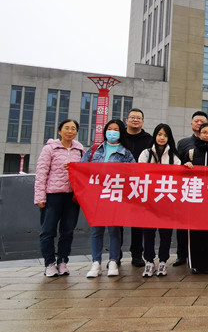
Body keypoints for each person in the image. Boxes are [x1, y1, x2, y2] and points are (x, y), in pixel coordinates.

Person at [82, 119, 136, 278]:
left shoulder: (126, 153)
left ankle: (113, 260)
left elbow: (133, 174)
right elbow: (82, 168)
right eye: (110, 129)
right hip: (96, 195)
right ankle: (96, 262)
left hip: (115, 196)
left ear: (121, 133)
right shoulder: (94, 150)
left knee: (114, 230)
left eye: (116, 130)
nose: (112, 132)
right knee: (96, 230)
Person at [34, 119, 85, 277]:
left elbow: (85, 171)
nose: (70, 131)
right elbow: (41, 173)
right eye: (66, 128)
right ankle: (49, 263)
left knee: (67, 230)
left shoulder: (80, 150)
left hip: (72, 197)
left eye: (73, 128)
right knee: (48, 230)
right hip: (52, 195)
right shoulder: (50, 149)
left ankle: (62, 261)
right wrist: (40, 197)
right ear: (59, 131)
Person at [138, 123, 181, 277]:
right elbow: (140, 173)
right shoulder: (146, 153)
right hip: (149, 200)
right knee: (148, 232)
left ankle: (163, 261)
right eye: (159, 134)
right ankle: (149, 261)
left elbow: (177, 177)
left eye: (165, 135)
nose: (162, 138)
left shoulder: (173, 156)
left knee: (166, 233)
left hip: (166, 200)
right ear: (155, 136)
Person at [184, 122, 208, 274]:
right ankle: (195, 264)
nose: (207, 135)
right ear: (199, 134)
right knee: (194, 232)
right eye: (204, 132)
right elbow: (180, 170)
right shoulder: (191, 151)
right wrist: (186, 165)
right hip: (195, 197)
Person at [174, 111, 208, 267]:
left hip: (207, 189)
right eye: (196, 121)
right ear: (191, 124)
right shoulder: (183, 143)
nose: (199, 123)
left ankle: (200, 255)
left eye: (202, 121)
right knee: (183, 224)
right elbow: (176, 163)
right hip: (187, 188)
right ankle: (181, 255)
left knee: (203, 224)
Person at [121, 108, 153, 268]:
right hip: (119, 184)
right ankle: (115, 256)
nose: (135, 120)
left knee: (138, 222)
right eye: (132, 117)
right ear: (126, 120)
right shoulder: (119, 137)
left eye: (138, 118)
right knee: (116, 221)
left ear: (142, 121)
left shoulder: (149, 139)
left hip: (140, 185)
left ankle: (137, 254)